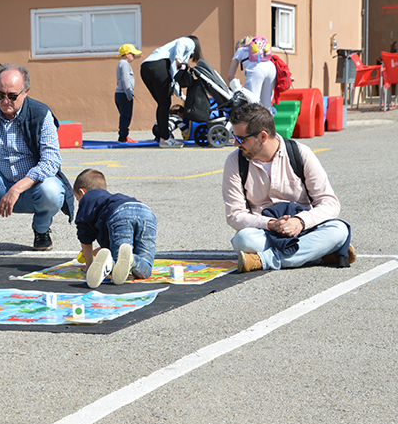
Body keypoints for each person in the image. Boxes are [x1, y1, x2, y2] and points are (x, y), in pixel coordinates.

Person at [222, 103, 354, 273]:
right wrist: (271, 224)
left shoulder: (301, 153)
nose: (235, 144)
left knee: (339, 231)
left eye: (241, 139)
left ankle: (264, 260)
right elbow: (234, 215)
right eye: (234, 137)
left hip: (304, 230)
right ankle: (318, 255)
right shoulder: (235, 161)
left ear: (262, 136)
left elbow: (330, 203)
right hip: (265, 231)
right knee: (243, 240)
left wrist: (299, 221)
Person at [0, 64, 74, 250]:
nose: (5, 101)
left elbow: (51, 161)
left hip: (32, 188)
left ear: (26, 92)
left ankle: (41, 229)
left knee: (53, 190)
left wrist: (17, 189)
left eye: (12, 96)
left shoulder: (41, 114)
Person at [73, 169, 157, 289]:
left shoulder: (88, 198)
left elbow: (85, 235)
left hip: (120, 214)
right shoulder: (110, 199)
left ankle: (108, 264)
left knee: (118, 264)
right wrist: (96, 251)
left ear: (82, 192)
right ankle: (133, 260)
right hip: (146, 212)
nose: (79, 202)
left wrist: (90, 265)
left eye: (77, 199)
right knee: (145, 268)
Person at [139, 35, 203, 148]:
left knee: (162, 104)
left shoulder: (171, 53)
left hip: (145, 68)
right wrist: (179, 59)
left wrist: (181, 95)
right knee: (164, 103)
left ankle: (163, 136)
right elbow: (181, 42)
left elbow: (173, 77)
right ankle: (165, 138)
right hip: (157, 66)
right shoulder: (189, 42)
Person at [226, 36, 277, 114]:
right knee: (267, 105)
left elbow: (230, 76)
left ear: (239, 46)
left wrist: (236, 88)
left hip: (256, 70)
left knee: (252, 103)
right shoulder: (261, 50)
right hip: (271, 68)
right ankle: (269, 121)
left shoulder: (240, 50)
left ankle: (253, 121)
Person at [115, 43, 142, 143]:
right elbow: (125, 79)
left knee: (124, 116)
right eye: (132, 54)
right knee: (126, 116)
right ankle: (123, 137)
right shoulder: (125, 64)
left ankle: (123, 135)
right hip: (124, 94)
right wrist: (129, 93)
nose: (134, 56)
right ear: (127, 54)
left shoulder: (122, 63)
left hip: (120, 93)